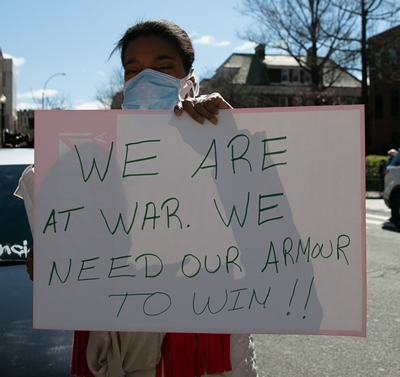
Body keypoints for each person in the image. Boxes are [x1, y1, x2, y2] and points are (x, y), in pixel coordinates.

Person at [26, 19, 258, 377]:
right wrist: (48, 256)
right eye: (132, 70)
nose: (145, 80)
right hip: (114, 346)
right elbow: (64, 250)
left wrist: (229, 138)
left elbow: (264, 230)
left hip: (202, 343)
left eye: (164, 67)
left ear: (189, 78)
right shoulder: (92, 158)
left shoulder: (218, 142)